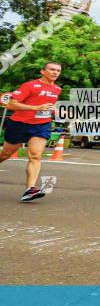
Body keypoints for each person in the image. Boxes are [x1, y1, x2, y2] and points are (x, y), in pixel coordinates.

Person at [0, 62, 63, 201]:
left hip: (41, 125)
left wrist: (54, 111)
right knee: (6, 153)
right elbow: (11, 104)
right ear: (42, 71)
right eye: (52, 69)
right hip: (19, 124)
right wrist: (36, 108)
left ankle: (30, 190)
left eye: (58, 70)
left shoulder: (57, 89)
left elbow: (48, 106)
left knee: (35, 155)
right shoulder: (30, 86)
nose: (55, 72)